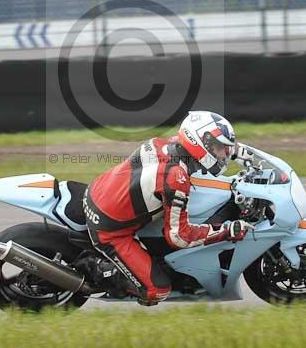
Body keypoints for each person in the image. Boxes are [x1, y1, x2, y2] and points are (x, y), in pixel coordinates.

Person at [83, 110, 254, 306]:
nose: (224, 153)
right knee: (157, 290)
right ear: (201, 143)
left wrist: (239, 153)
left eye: (225, 148)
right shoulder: (176, 177)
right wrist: (226, 230)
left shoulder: (168, 145)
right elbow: (179, 237)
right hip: (110, 228)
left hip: (101, 190)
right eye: (219, 147)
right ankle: (98, 270)